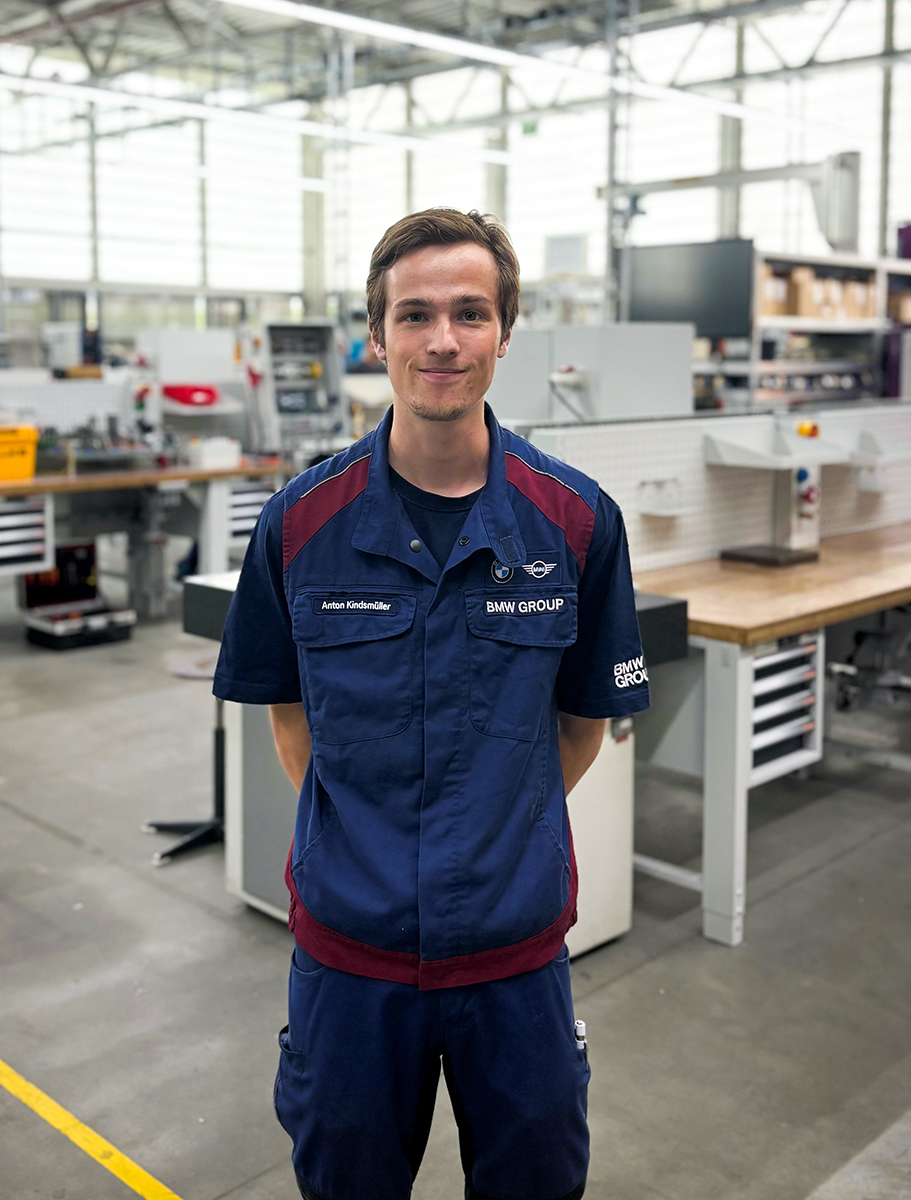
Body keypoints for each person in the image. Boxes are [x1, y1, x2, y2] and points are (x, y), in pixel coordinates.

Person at [213, 208, 649, 1200]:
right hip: (350, 958)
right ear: (376, 337)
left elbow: (582, 725)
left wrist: (499, 826)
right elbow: (290, 719)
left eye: (469, 313)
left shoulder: (577, 521)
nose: (442, 341)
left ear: (504, 332)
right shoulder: (300, 525)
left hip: (515, 954)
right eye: (414, 316)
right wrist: (370, 845)